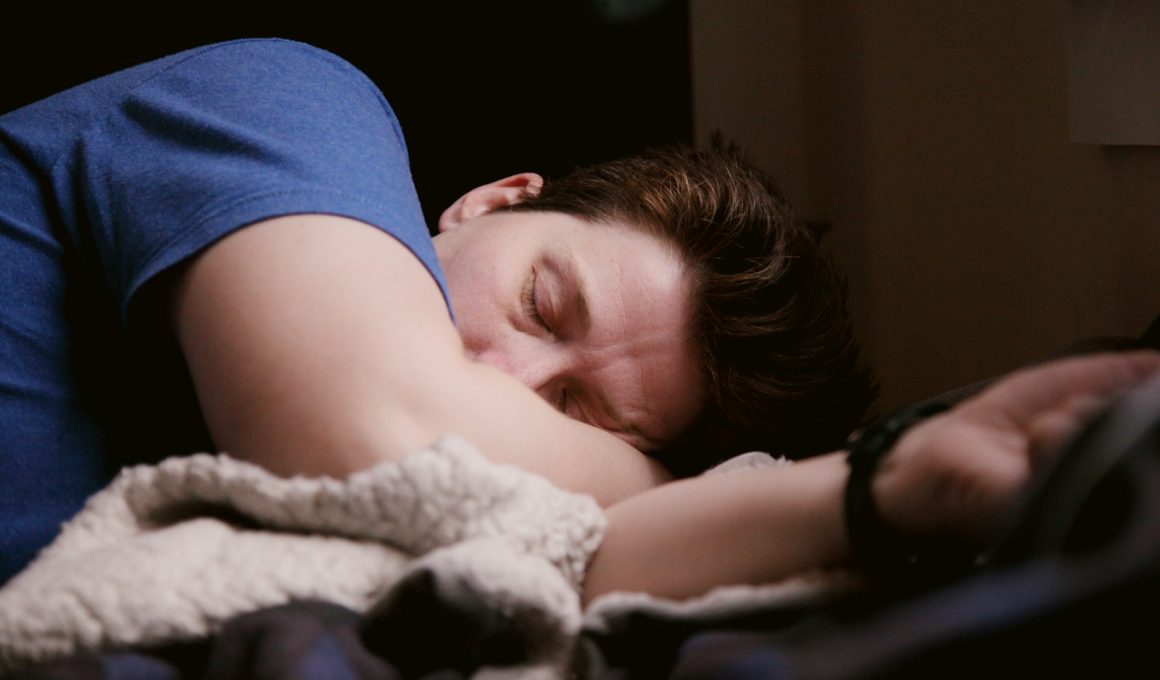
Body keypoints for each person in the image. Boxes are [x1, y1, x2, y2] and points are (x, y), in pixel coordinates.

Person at [1, 38, 1156, 603]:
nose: (496, 376)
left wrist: (895, 483)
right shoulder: (290, 100)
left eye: (574, 410)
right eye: (540, 301)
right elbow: (385, 441)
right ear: (495, 199)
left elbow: (546, 536)